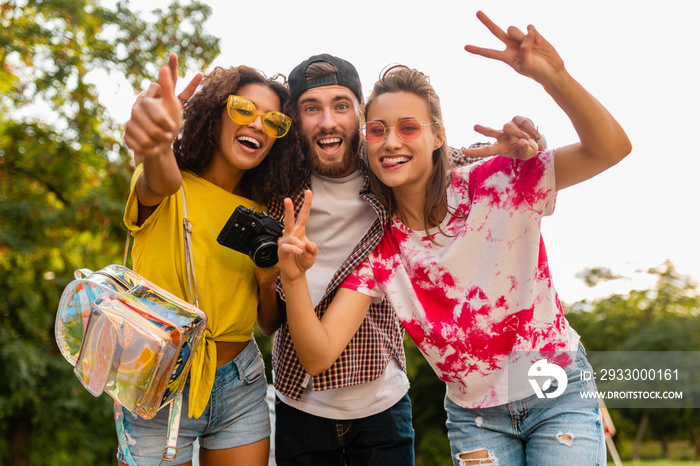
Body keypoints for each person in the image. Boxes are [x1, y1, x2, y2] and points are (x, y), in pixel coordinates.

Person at [277, 11, 632, 466]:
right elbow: (319, 355)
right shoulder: (382, 251)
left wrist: (555, 78)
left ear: (438, 135)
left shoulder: (499, 183)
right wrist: (291, 279)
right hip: (475, 418)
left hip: (554, 388)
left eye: (408, 127)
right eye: (378, 130)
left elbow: (611, 148)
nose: (391, 142)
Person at [265, 53, 543, 465]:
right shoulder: (274, 185)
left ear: (360, 115)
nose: (327, 122)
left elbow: (440, 160)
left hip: (382, 401)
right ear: (294, 117)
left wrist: (517, 149)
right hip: (299, 399)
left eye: (341, 105)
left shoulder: (385, 170)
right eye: (311, 109)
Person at [120, 56, 292, 465]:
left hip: (241, 383)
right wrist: (159, 143)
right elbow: (160, 175)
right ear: (216, 115)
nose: (257, 125)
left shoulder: (262, 213)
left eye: (273, 121)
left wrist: (270, 280)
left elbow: (268, 324)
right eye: (244, 109)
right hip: (156, 380)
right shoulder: (170, 186)